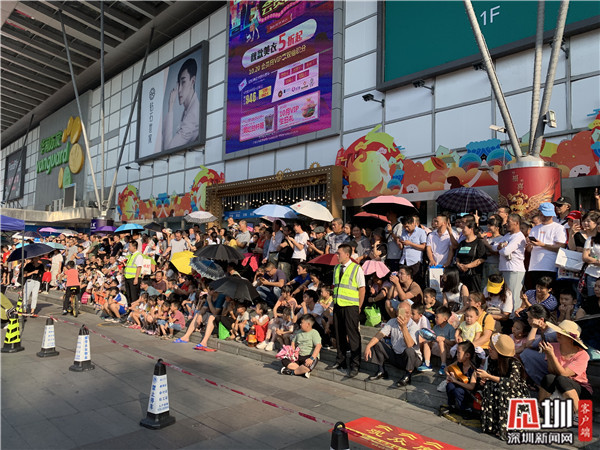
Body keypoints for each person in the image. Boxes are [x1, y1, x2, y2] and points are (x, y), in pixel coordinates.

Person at [538, 320, 592, 425]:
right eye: (558, 332)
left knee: (561, 379)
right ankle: (541, 407)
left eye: (562, 334)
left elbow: (563, 374)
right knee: (549, 377)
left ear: (571, 339)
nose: (558, 334)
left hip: (579, 389)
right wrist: (550, 355)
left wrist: (551, 355)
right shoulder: (553, 347)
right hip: (559, 384)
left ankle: (579, 414)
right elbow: (551, 370)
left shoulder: (582, 354)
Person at [478, 334, 530, 441]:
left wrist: (489, 377)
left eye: (492, 348)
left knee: (503, 391)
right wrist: (485, 379)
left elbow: (511, 383)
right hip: (500, 387)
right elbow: (490, 375)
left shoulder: (514, 363)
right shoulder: (492, 360)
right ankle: (493, 424)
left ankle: (506, 427)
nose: (489, 349)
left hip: (514, 392)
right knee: (489, 386)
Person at [326, 243, 365, 378]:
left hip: (351, 306)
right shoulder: (336, 268)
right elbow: (335, 286)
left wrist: (359, 306)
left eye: (339, 253)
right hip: (338, 305)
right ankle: (340, 360)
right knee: (339, 333)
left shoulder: (356, 268)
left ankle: (355, 364)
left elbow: (362, 288)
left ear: (347, 255)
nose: (337, 255)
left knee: (353, 335)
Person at [363, 301, 422, 386]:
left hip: (412, 360)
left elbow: (409, 344)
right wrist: (368, 346)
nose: (406, 315)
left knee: (409, 350)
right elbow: (380, 334)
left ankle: (407, 375)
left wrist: (404, 328)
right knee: (377, 343)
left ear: (410, 314)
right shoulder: (392, 321)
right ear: (397, 312)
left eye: (408, 312)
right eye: (402, 312)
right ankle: (381, 370)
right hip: (396, 355)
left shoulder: (414, 326)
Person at [527, 202, 567, 288]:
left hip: (550, 266)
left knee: (548, 290)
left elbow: (561, 247)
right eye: (542, 215)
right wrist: (529, 245)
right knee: (536, 291)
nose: (544, 217)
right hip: (534, 266)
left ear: (552, 215)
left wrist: (542, 245)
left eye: (547, 215)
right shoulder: (534, 228)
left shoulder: (558, 228)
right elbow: (529, 250)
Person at [163, 58, 199, 151]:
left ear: (192, 81)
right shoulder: (189, 108)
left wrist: (171, 106)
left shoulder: (193, 116)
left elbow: (168, 150)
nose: (179, 90)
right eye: (178, 84)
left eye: (183, 82)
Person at [494, 213, 527, 312]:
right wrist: (501, 246)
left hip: (514, 270)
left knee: (514, 295)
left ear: (516, 223)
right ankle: (507, 315)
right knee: (506, 295)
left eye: (509, 222)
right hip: (504, 268)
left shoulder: (519, 236)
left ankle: (515, 316)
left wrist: (501, 247)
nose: (506, 224)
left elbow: (505, 251)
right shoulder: (507, 235)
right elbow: (494, 246)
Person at [442, 341, 480, 417]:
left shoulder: (473, 369)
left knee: (458, 390)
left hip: (468, 393)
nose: (457, 355)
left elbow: (471, 386)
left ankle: (465, 409)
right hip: (459, 387)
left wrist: (456, 381)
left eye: (459, 353)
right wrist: (449, 376)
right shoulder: (458, 362)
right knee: (450, 385)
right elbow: (446, 368)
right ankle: (452, 405)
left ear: (467, 355)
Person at [280, 314, 322, 378]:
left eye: (302, 323)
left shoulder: (314, 333)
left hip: (308, 356)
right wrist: (292, 352)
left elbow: (318, 346)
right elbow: (293, 341)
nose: (300, 324)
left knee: (309, 365)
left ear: (308, 324)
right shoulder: (299, 332)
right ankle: (301, 371)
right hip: (298, 356)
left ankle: (291, 372)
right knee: (284, 359)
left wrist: (311, 358)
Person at [455, 217, 486, 293]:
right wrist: (459, 264)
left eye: (464, 228)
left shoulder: (479, 242)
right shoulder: (462, 243)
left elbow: (481, 259)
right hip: (461, 274)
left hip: (474, 274)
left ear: (471, 229)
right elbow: (458, 256)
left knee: (474, 294)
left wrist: (467, 266)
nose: (462, 230)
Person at [420, 305, 455, 375]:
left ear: (445, 319)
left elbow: (453, 343)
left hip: (446, 351)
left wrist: (443, 339)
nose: (435, 319)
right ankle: (427, 363)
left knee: (441, 342)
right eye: (435, 317)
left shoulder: (450, 328)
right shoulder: (436, 327)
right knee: (427, 341)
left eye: (437, 317)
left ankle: (443, 365)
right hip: (436, 348)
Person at [398, 215, 427, 285]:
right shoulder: (404, 232)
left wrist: (411, 244)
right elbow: (402, 247)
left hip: (415, 261)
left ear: (413, 223)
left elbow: (424, 247)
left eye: (407, 226)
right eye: (405, 227)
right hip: (404, 260)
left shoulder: (421, 232)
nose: (406, 228)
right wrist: (400, 243)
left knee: (416, 282)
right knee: (403, 282)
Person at [582, 222, 600, 298]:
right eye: (598, 224)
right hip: (593, 274)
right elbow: (585, 257)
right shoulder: (591, 240)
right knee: (592, 298)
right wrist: (597, 262)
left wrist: (592, 260)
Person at [123, 241, 143, 308]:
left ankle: (134, 310)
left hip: (133, 278)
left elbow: (139, 267)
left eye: (130, 246)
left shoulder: (138, 255)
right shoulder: (131, 255)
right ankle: (129, 309)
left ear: (134, 247)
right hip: (128, 277)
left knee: (133, 296)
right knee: (128, 295)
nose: (128, 247)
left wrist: (136, 278)